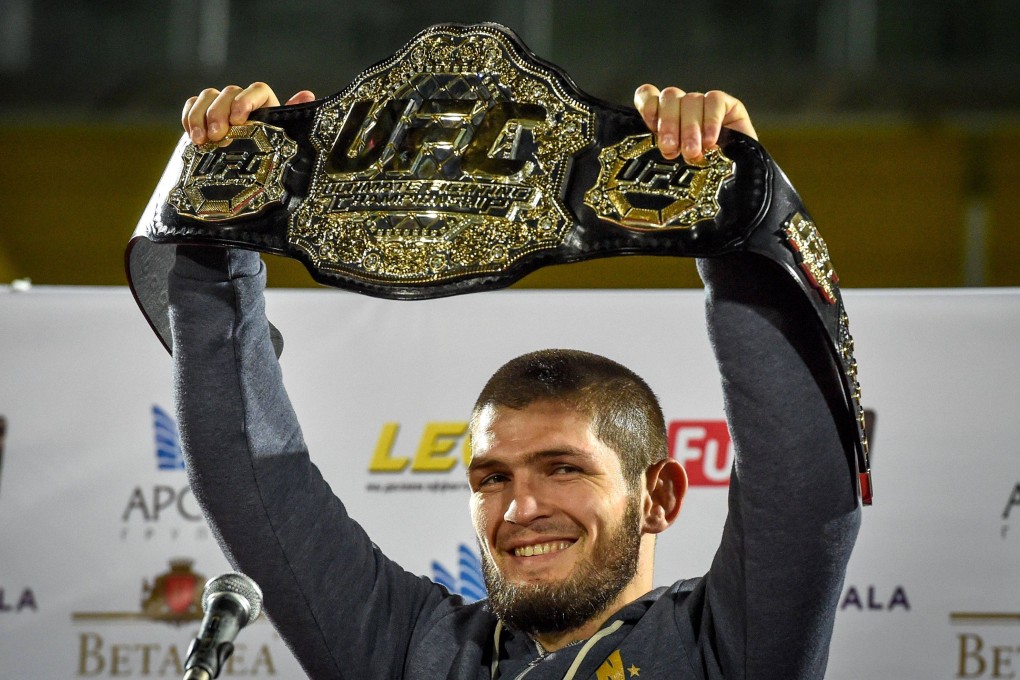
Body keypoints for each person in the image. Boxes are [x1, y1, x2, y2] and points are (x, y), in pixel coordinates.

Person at [169, 82, 861, 679]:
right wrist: (224, 210)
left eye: (562, 469)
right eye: (492, 478)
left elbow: (801, 480)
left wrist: (738, 214)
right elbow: (251, 475)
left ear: (658, 495)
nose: (520, 509)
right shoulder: (416, 652)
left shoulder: (723, 652)